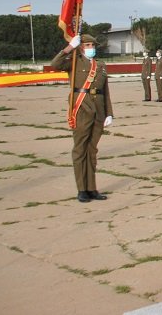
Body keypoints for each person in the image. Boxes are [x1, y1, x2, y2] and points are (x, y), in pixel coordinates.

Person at [51, 34, 113, 203]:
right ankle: (82, 189)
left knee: (92, 151)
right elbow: (54, 65)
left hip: (98, 111)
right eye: (86, 45)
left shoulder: (100, 65)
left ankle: (92, 188)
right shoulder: (73, 61)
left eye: (92, 45)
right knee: (80, 150)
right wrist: (69, 48)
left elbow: (105, 91)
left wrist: (109, 113)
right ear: (80, 47)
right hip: (82, 110)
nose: (90, 48)